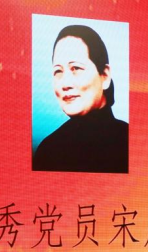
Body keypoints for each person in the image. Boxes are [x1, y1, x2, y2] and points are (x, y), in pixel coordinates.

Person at [33, 25, 129, 173]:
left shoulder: (130, 142)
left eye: (76, 68)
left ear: (105, 76)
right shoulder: (48, 150)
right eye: (58, 71)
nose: (65, 84)